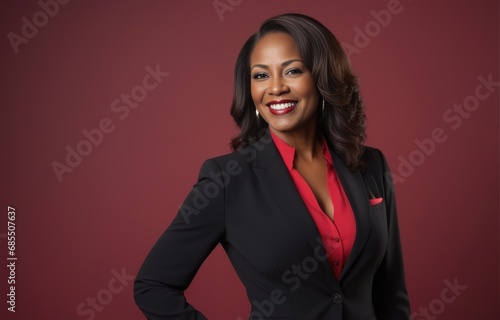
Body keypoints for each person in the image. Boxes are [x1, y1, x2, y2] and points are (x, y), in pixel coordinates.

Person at [134, 13, 410, 320]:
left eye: (292, 71)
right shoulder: (226, 180)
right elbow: (153, 285)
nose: (276, 88)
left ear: (323, 78)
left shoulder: (372, 165)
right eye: (261, 76)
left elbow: (391, 293)